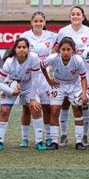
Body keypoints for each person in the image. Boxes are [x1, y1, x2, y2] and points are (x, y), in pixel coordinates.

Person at [56, 6, 89, 147]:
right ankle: (63, 135)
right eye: (73, 14)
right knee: (65, 104)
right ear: (70, 17)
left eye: (78, 14)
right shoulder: (63, 31)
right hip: (66, 74)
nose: (75, 16)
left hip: (84, 73)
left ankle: (84, 136)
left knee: (83, 104)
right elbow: (57, 51)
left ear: (83, 17)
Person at [0, 38, 46, 150]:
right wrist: (12, 91)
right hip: (11, 85)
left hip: (28, 87)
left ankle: (38, 141)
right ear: (15, 48)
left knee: (36, 108)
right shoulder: (9, 62)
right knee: (4, 110)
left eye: (24, 47)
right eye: (19, 47)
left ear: (28, 49)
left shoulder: (34, 58)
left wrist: (32, 98)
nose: (21, 50)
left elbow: (35, 80)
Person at [41, 37, 89, 150]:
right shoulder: (53, 58)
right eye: (63, 49)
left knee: (77, 111)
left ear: (73, 50)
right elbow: (42, 66)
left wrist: (84, 93)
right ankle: (54, 141)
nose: (66, 52)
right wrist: (49, 80)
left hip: (74, 85)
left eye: (68, 49)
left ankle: (79, 141)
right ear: (59, 50)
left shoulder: (78, 60)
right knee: (54, 111)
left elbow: (83, 77)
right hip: (58, 85)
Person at [19, 11, 57, 147]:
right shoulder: (25, 36)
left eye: (41, 21)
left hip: (46, 75)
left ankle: (47, 137)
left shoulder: (52, 36)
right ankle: (24, 138)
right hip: (30, 75)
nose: (38, 24)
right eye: (36, 21)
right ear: (31, 23)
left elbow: (65, 43)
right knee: (27, 108)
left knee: (47, 107)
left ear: (44, 23)